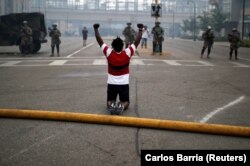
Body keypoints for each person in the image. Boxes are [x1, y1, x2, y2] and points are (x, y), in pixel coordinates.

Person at [93, 23, 143, 114]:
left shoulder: (109, 53)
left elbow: (99, 41)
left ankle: (111, 106)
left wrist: (95, 29)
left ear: (112, 46)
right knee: (126, 102)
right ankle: (122, 106)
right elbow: (137, 41)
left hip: (112, 83)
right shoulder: (127, 53)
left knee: (110, 101)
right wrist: (140, 29)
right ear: (122, 46)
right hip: (124, 83)